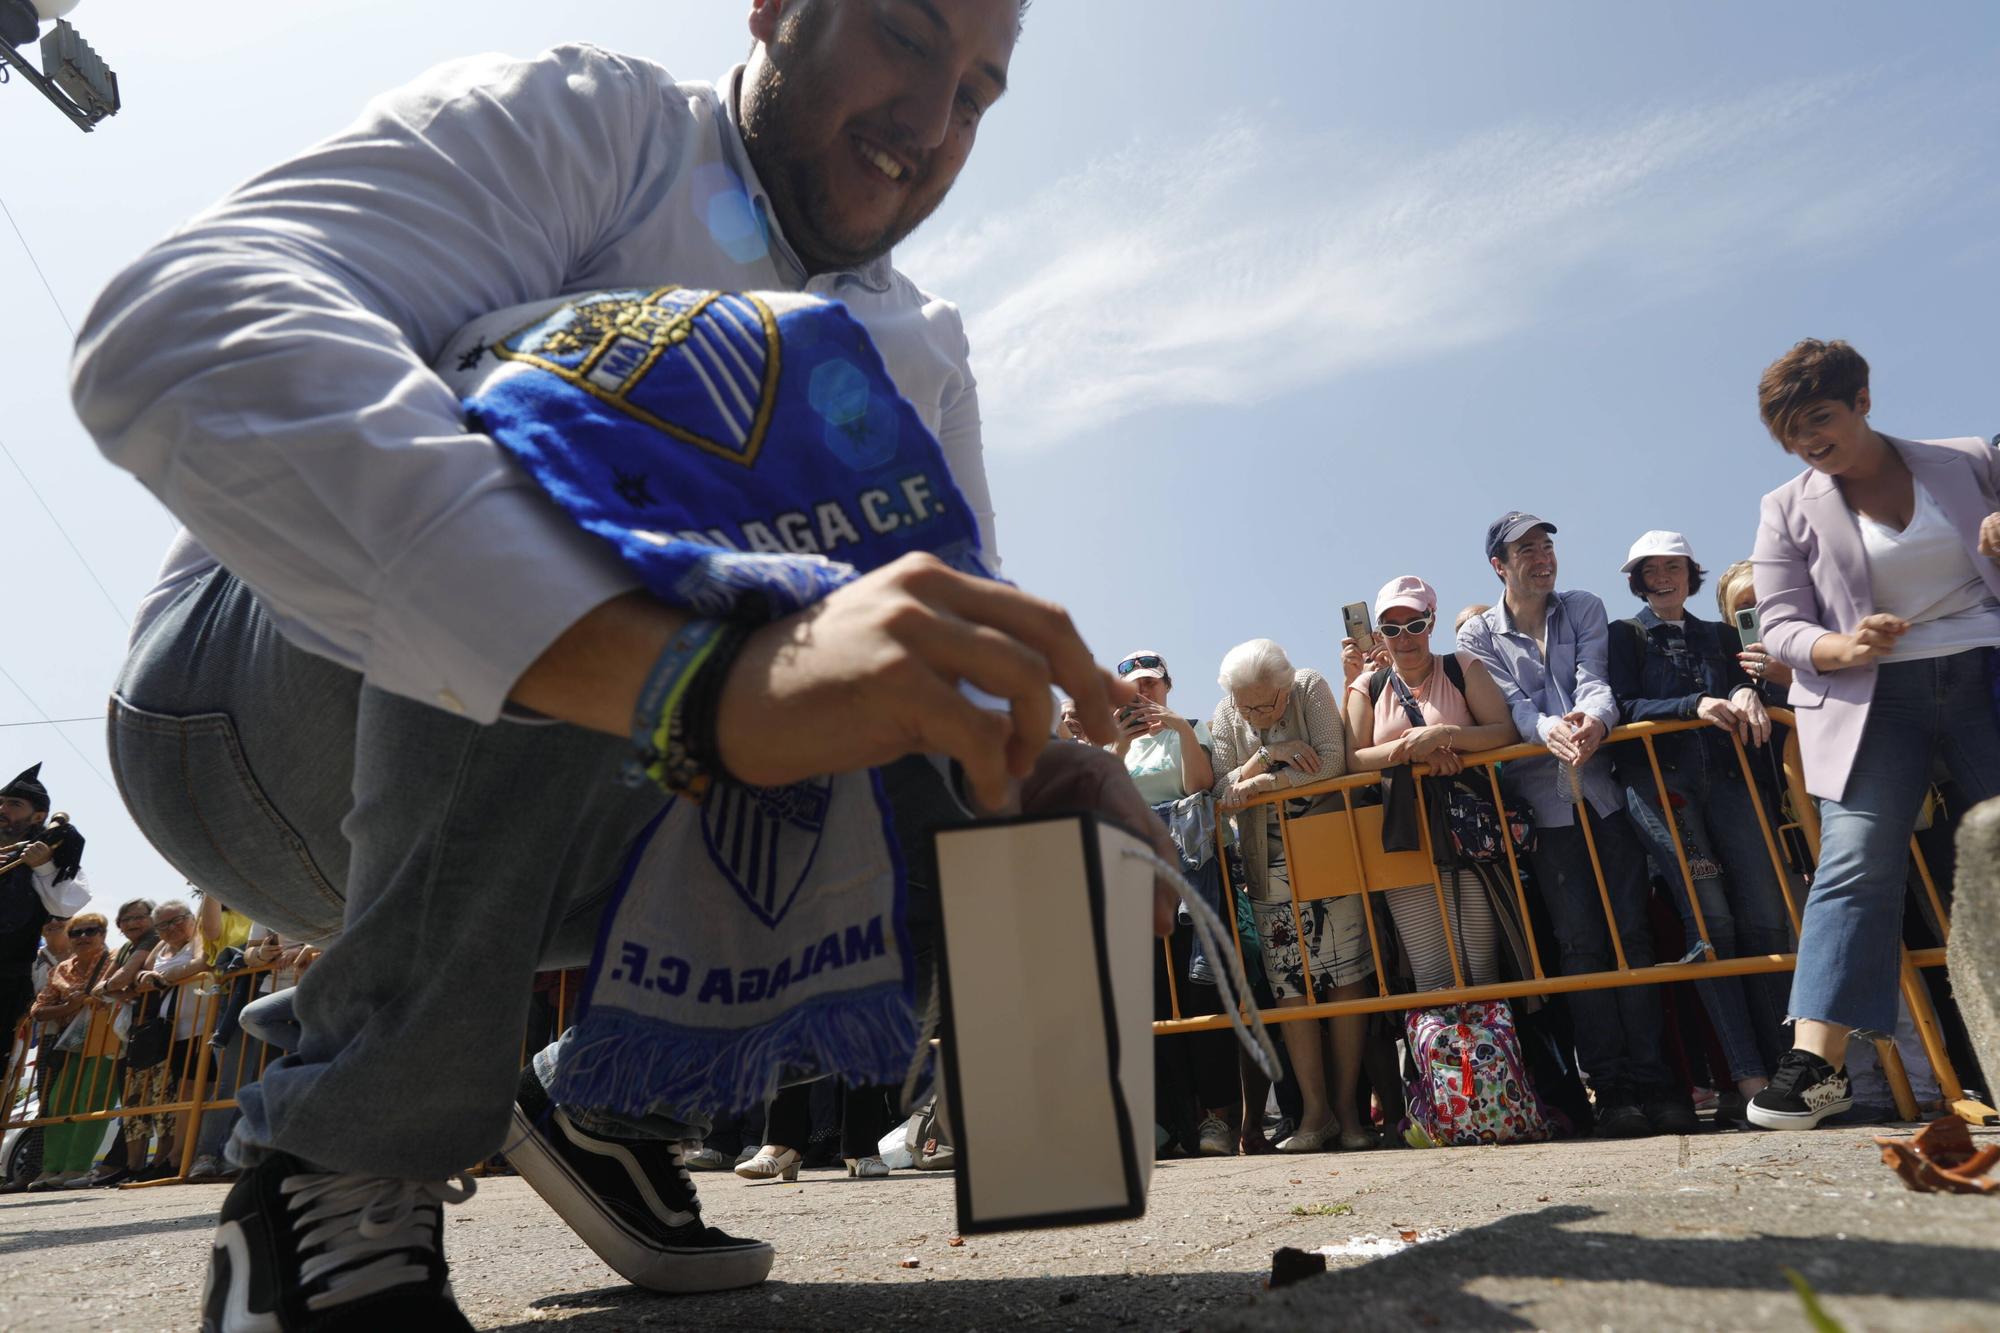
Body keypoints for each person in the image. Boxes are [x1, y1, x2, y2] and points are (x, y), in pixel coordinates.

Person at [72, 4, 1171, 1326]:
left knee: (950, 730)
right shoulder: (596, 123)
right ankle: (341, 1165)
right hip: (246, 722)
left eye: (979, 95)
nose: (931, 126)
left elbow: (944, 669)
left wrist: (1036, 770)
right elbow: (172, 321)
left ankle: (605, 1094)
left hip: (575, 820)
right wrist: (684, 679)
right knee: (632, 398)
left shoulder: (923, 343)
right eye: (899, 32)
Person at [1745, 338, 2000, 1130]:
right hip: (1871, 697)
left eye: (1819, 418)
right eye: (1790, 432)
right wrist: (1839, 646)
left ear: (1862, 398)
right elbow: (1781, 621)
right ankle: (1816, 1064)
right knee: (1854, 859)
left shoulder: (1969, 459)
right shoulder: (1785, 507)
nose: (1807, 442)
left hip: (1985, 677)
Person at [1459, 513, 1695, 1137]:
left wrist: (1592, 719)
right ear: (1498, 566)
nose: (1542, 557)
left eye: (1547, 545)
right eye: (1526, 549)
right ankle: (1612, 1089)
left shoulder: (1584, 606)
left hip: (1605, 798)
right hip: (1544, 811)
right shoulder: (1479, 635)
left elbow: (1597, 680)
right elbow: (1512, 706)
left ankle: (1657, 1081)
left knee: (1633, 937)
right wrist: (1547, 729)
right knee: (1581, 947)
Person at [1607, 531, 1791, 1118]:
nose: (1663, 576)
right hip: (1664, 791)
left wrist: (1742, 688)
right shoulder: (1624, 634)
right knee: (1711, 922)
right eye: (1650, 569)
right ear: (1636, 580)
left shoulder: (1718, 634)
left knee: (1766, 918)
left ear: (1691, 573)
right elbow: (1621, 706)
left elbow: (1751, 684)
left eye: (1674, 566)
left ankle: (1791, 1071)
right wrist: (1695, 705)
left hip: (1734, 785)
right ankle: (1748, 1078)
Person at [1209, 639, 1375, 1152]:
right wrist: (1266, 754)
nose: (1256, 712)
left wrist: (1259, 782)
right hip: (1267, 864)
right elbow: (1219, 789)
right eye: (1247, 706)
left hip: (1328, 849)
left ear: (1284, 687)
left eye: (1266, 704)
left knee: (1346, 981)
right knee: (1291, 989)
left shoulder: (1309, 687)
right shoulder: (1225, 713)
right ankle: (1314, 1114)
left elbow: (1332, 765)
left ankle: (1349, 1111)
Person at [1343, 576, 1521, 991]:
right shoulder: (1366, 686)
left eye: (1414, 625)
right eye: (1391, 629)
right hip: (1403, 834)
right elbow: (1352, 760)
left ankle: (1489, 1054)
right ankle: (1445, 1056)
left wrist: (1444, 736)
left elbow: (1504, 731)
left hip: (1467, 828)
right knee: (1430, 971)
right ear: (1378, 635)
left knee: (1481, 966)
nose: (1404, 638)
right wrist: (1415, 749)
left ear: (1431, 622)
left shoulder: (1461, 667)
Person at [1111, 650, 1238, 1157]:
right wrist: (1117, 744)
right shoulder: (1116, 745)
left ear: (1168, 685)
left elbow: (1198, 787)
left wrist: (1180, 732)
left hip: (1193, 882)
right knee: (1154, 1001)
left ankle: (1216, 1120)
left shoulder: (1192, 728)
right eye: (1135, 689)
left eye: (1153, 685)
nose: (1145, 695)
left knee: (1201, 992)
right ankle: (1166, 1121)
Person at [24, 913, 119, 1189]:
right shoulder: (62, 968)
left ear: (103, 934)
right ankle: (52, 1168)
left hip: (105, 1037)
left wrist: (87, 1000)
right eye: (76, 933)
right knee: (58, 1100)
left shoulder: (114, 959)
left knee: (91, 1100)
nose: (83, 937)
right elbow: (38, 1010)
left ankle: (76, 1167)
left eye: (91, 931)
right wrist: (68, 1007)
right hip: (69, 1042)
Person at [0, 764, 89, 1036]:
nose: (2, 809)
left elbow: (66, 905)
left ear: (38, 816)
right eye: (0, 802)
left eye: (13, 804)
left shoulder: (52, 859)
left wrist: (44, 866)